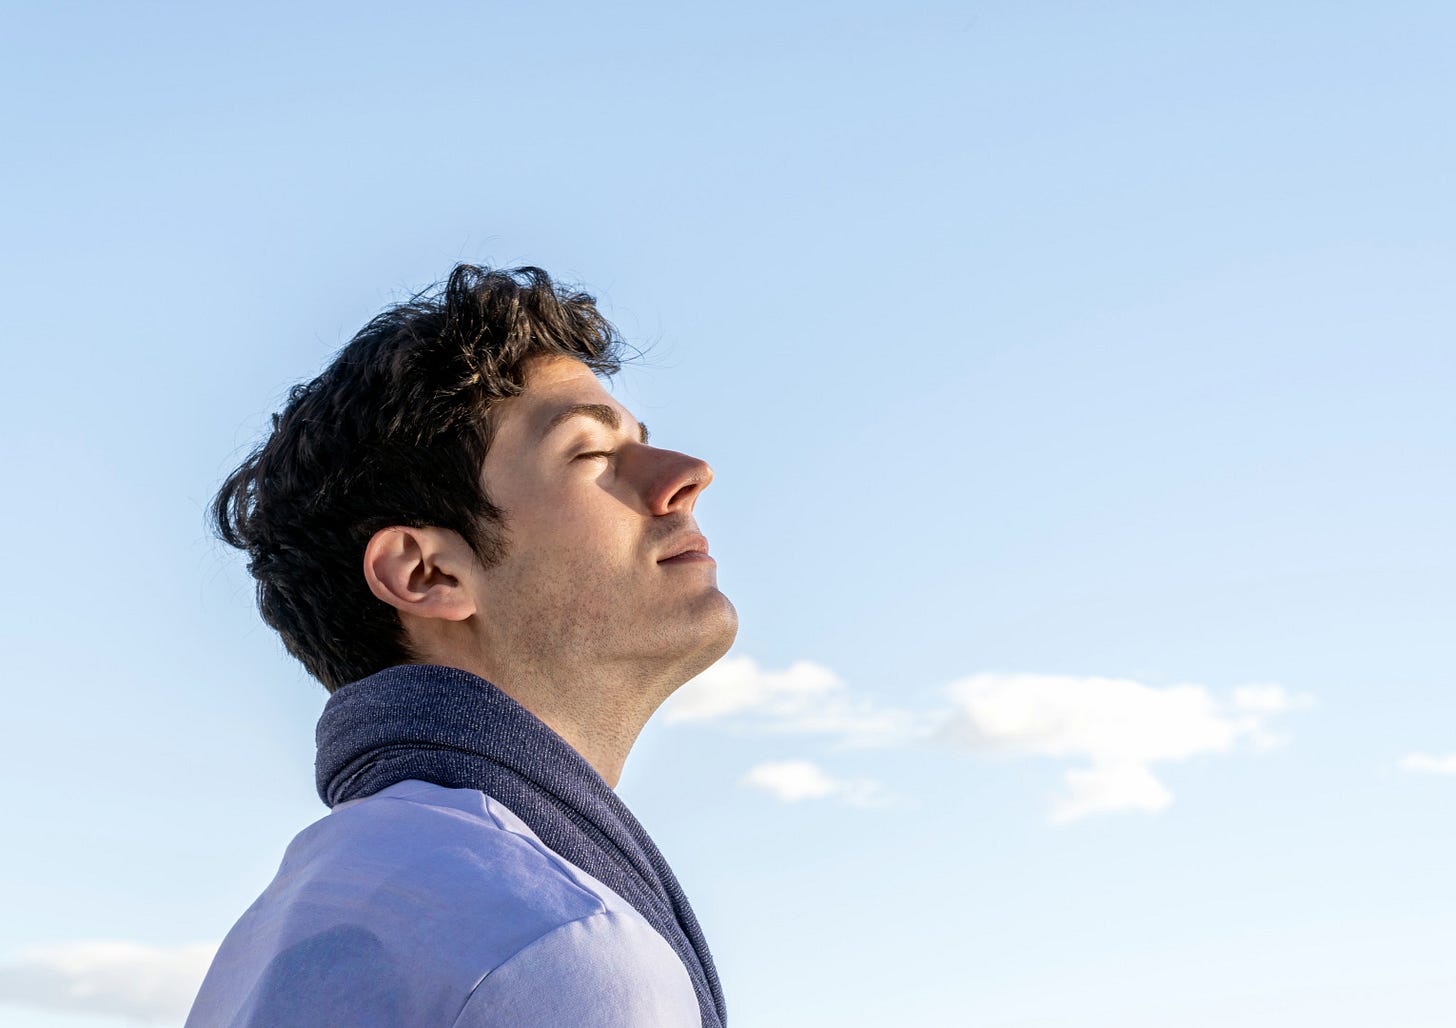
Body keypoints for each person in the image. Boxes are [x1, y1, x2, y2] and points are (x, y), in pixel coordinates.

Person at [187, 264, 737, 1027]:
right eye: (589, 454)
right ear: (428, 573)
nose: (690, 474)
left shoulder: (280, 934)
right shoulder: (556, 946)